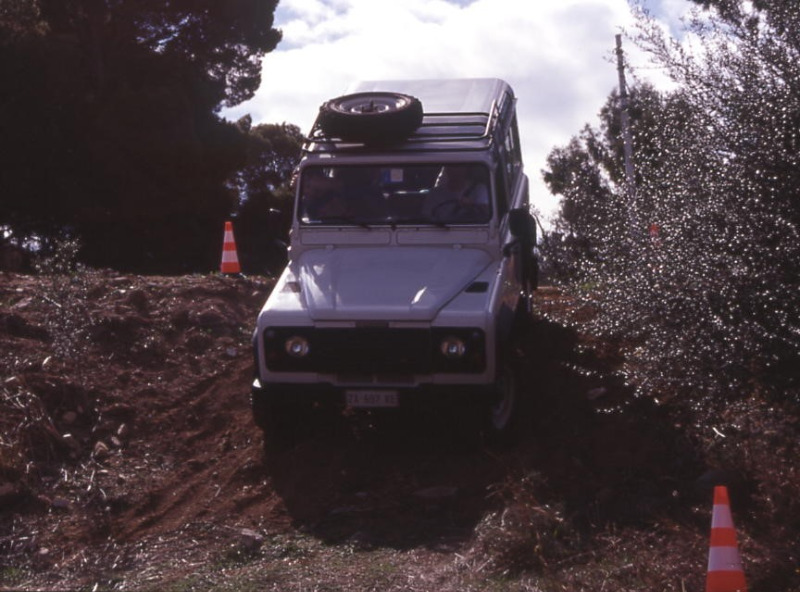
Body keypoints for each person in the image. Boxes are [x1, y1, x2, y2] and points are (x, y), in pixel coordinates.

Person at [423, 164, 490, 222]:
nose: (454, 170)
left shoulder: (479, 189)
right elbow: (427, 218)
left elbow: (487, 213)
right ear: (446, 169)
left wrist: (472, 205)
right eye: (450, 166)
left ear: (465, 169)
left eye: (458, 166)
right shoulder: (435, 193)